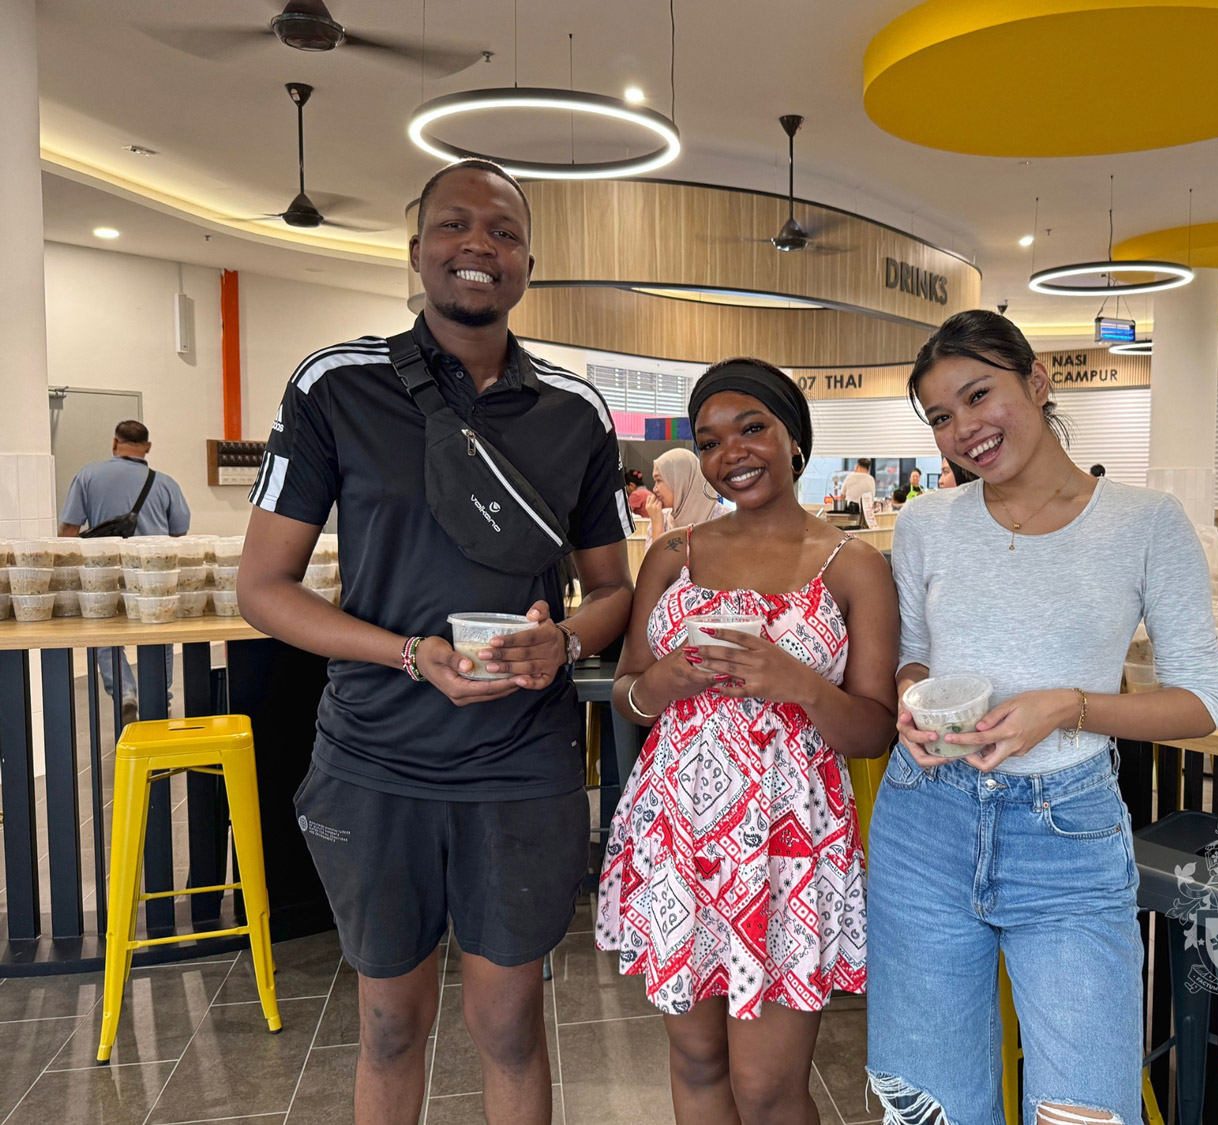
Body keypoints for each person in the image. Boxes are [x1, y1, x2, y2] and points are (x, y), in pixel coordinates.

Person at [238, 159, 633, 1125]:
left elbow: (613, 589)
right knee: (388, 1024)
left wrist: (566, 640)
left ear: (528, 265)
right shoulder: (338, 386)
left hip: (521, 760)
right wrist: (408, 654)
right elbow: (262, 588)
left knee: (510, 1027)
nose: (478, 248)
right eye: (455, 226)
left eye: (502, 234)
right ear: (415, 250)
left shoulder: (574, 411)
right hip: (376, 756)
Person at [865, 310, 1218, 1125]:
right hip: (925, 823)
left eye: (978, 394)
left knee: (1083, 1108)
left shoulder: (1144, 521)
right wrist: (913, 704)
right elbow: (912, 660)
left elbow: (1201, 702)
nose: (964, 429)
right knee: (932, 1106)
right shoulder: (925, 522)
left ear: (1038, 379)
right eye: (941, 417)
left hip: (1066, 833)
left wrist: (1073, 706)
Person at [596, 358, 899, 1125]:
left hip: (787, 844)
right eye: (710, 439)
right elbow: (628, 692)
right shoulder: (673, 555)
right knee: (697, 1062)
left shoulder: (853, 565)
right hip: (679, 832)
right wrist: (660, 684)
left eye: (752, 427)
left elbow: (873, 728)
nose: (732, 451)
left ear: (794, 437)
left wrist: (795, 680)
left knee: (767, 1088)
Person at [59, 419, 190, 722]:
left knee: (105, 635)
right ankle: (161, 699)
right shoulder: (166, 482)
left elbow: (68, 530)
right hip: (150, 574)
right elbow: (180, 531)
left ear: (114, 443)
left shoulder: (87, 476)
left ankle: (125, 693)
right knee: (158, 635)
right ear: (147, 448)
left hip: (103, 571)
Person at [644, 446, 724, 541]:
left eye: (659, 480)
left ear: (680, 481)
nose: (655, 489)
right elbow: (655, 556)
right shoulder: (662, 519)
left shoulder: (724, 518)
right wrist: (657, 526)